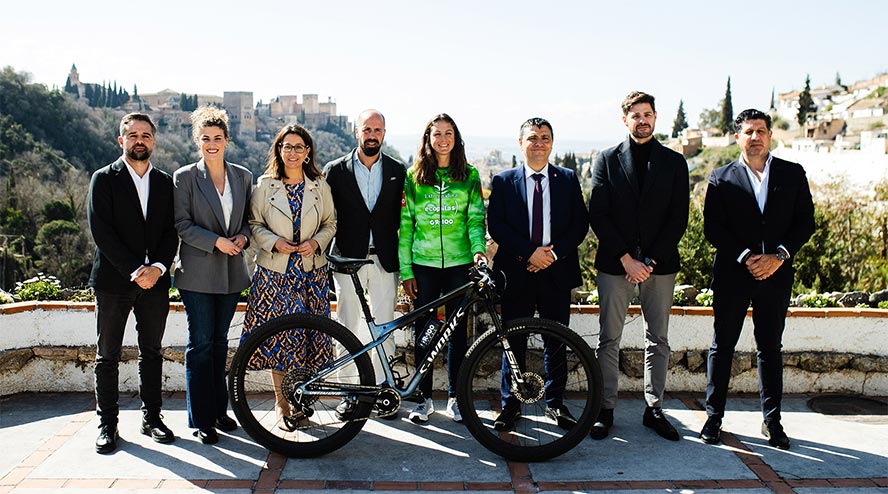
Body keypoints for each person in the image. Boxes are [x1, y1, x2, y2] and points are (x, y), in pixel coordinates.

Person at [700, 109, 814, 450]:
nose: (755, 137)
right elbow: (713, 227)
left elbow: (805, 222)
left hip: (776, 276)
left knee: (770, 349)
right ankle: (713, 418)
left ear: (770, 135)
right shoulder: (720, 178)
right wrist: (747, 257)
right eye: (748, 132)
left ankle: (772, 421)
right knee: (722, 347)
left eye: (761, 131)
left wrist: (778, 257)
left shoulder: (793, 174)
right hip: (734, 275)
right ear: (737, 137)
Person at [586, 91, 689, 441]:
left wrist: (649, 261)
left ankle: (654, 408)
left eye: (647, 114)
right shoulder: (606, 159)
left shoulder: (674, 162)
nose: (642, 120)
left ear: (656, 118)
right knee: (608, 338)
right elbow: (598, 214)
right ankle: (605, 408)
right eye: (635, 115)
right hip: (616, 264)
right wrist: (627, 258)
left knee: (657, 338)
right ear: (624, 119)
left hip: (659, 266)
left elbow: (678, 218)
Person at [486, 117, 589, 432]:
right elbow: (498, 225)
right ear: (521, 144)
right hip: (516, 272)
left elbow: (579, 225)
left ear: (552, 143)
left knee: (555, 341)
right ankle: (511, 406)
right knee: (512, 340)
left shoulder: (568, 179)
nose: (539, 142)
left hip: (556, 272)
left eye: (545, 137)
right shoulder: (504, 181)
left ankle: (555, 403)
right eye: (532, 137)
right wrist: (528, 253)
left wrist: (552, 255)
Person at [87, 113, 178, 454]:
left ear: (153, 141)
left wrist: (156, 268)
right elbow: (102, 232)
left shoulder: (165, 182)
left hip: (155, 281)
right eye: (133, 135)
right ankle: (107, 424)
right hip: (114, 281)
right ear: (120, 140)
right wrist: (136, 270)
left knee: (152, 351)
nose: (139, 140)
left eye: (146, 135)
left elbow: (172, 230)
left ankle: (152, 418)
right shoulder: (103, 179)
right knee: (107, 355)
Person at [241, 124, 336, 431]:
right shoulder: (265, 185)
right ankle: (282, 407)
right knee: (280, 342)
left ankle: (302, 403)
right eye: (287, 146)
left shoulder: (319, 185)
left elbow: (331, 223)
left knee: (309, 341)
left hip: (311, 272)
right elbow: (253, 224)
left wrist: (317, 242)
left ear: (308, 152)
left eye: (299, 147)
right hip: (275, 274)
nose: (293, 153)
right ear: (278, 150)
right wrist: (274, 242)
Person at [399, 113, 487, 423]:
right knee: (424, 332)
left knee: (457, 333)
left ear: (456, 138)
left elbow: (475, 219)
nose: (443, 139)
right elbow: (406, 226)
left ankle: (455, 396)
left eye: (448, 133)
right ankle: (422, 399)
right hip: (423, 265)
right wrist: (406, 270)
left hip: (459, 264)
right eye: (437, 134)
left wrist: (478, 252)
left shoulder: (470, 175)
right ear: (428, 139)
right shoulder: (413, 177)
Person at [172, 107, 252, 444]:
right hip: (197, 274)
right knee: (201, 345)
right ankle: (201, 419)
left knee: (221, 344)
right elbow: (182, 225)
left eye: (217, 138)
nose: (212, 144)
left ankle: (220, 411)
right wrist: (216, 241)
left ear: (227, 140)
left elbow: (250, 219)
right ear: (197, 141)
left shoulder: (243, 177)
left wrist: (244, 237)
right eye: (205, 138)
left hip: (232, 273)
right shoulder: (185, 177)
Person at [323, 110, 405, 418]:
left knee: (384, 325)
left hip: (384, 259)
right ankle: (349, 393)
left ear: (385, 133)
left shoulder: (398, 170)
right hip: (348, 260)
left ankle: (383, 391)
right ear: (357, 132)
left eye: (378, 130)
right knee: (348, 326)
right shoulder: (336, 170)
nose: (372, 135)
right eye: (367, 129)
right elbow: (327, 216)